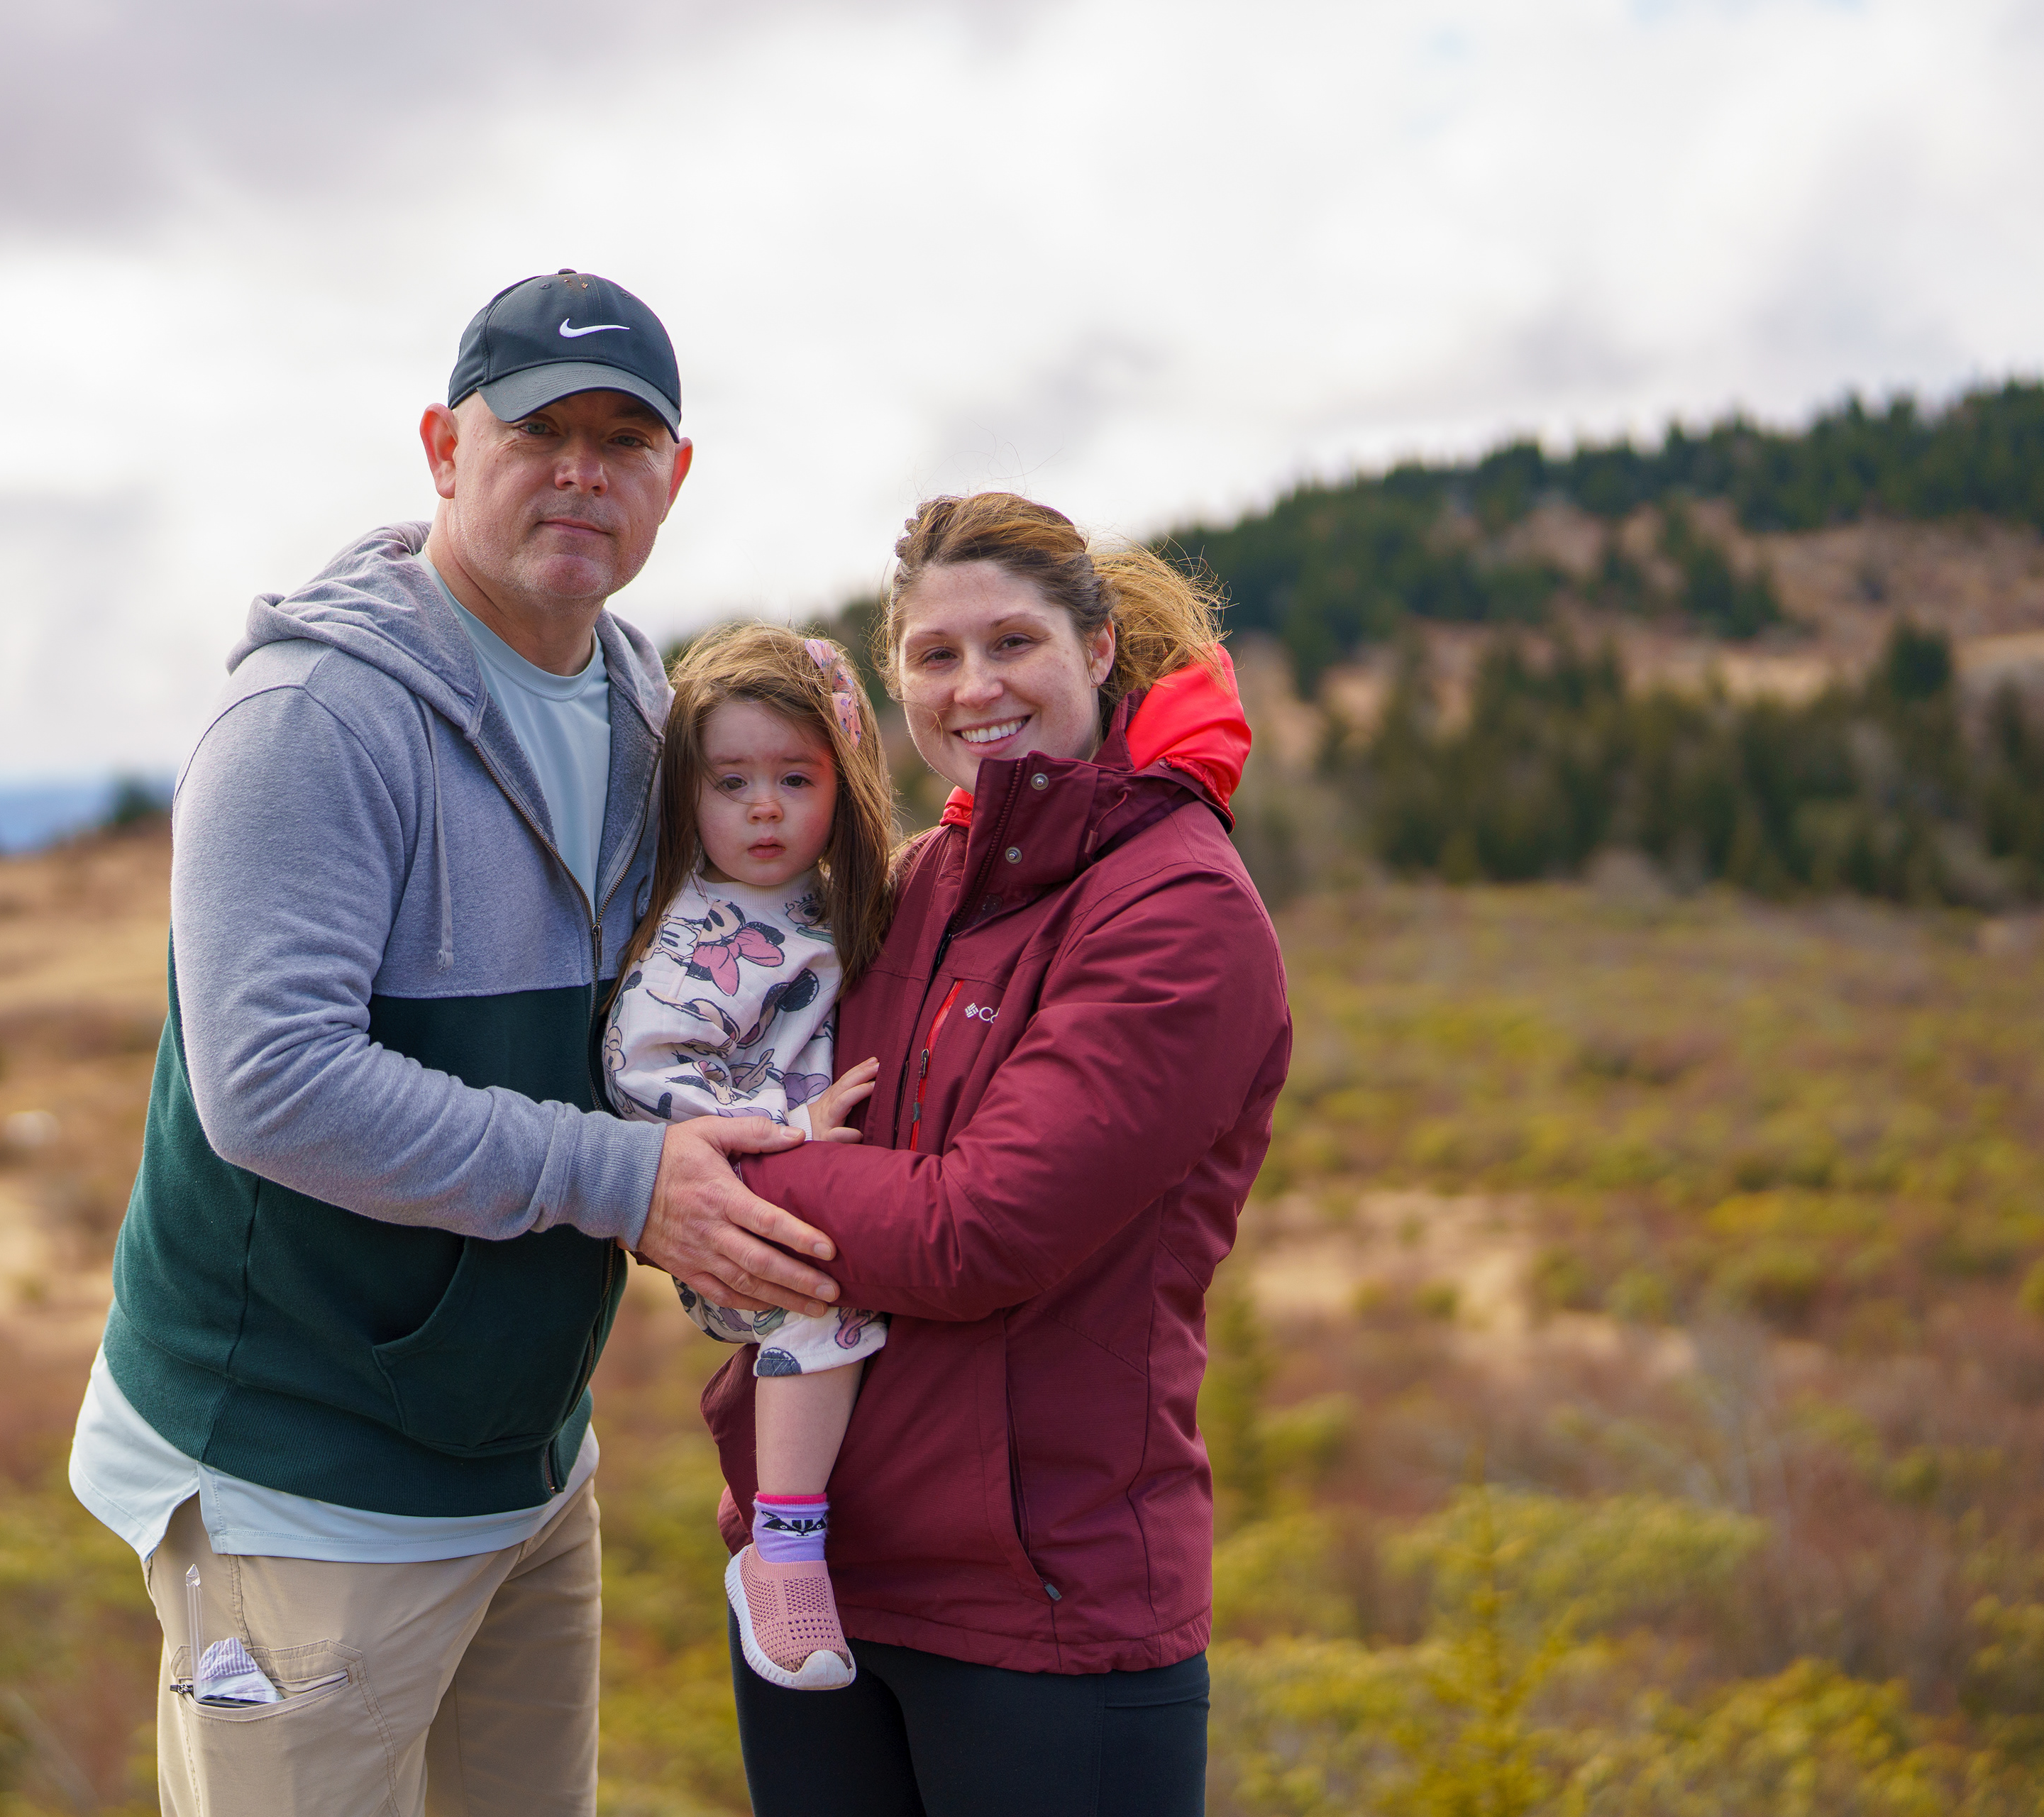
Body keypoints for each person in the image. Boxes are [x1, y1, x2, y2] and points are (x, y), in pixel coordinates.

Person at [66, 271, 845, 1817]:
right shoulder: (314, 720)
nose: (582, 470)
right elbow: (272, 1087)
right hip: (304, 1486)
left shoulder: (639, 706)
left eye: (625, 439)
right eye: (536, 429)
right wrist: (632, 1186)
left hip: (527, 1470)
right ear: (440, 446)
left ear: (672, 481)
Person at [709, 492, 1291, 1817]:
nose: (975, 687)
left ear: (1098, 648)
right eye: (934, 655)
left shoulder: (1177, 906)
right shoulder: (924, 880)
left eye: (1013, 642)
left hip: (1047, 1610)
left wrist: (708, 1175)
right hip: (815, 1578)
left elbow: (981, 1232)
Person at [600, 624, 898, 1691]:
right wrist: (792, 1130)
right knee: (820, 1302)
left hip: (816, 1182)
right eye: (732, 781)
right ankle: (783, 1552)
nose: (763, 807)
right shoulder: (694, 937)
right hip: (730, 1210)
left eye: (794, 777)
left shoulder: (831, 894)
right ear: (689, 796)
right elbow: (647, 1076)